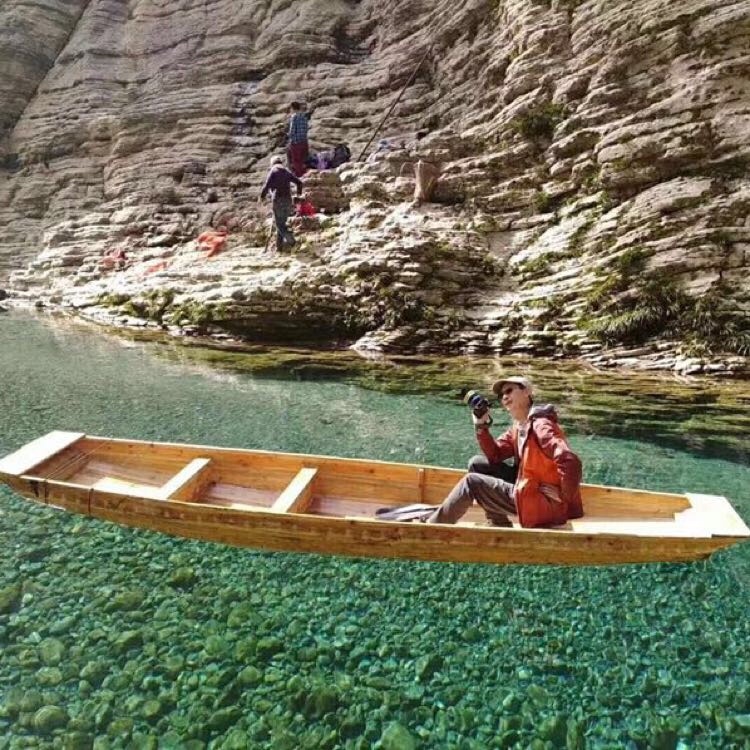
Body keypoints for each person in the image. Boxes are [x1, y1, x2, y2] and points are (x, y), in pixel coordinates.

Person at [427, 376, 583, 528]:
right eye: (501, 395)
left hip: (539, 501)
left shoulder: (541, 426)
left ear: (527, 392)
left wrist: (563, 496)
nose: (505, 397)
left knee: (471, 482)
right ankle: (498, 522)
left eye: (509, 391)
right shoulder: (519, 426)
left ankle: (432, 528)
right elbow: (495, 454)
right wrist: (481, 427)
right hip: (527, 488)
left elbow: (570, 460)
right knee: (477, 464)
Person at [260, 155, 303, 252]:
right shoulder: (286, 171)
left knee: (279, 225)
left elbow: (266, 186)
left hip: (278, 201)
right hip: (288, 201)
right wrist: (298, 196)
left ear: (272, 164)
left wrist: (262, 197)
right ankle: (279, 247)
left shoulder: (273, 171)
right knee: (282, 223)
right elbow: (299, 183)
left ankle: (293, 242)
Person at [287, 101, 310, 177]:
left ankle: (298, 177)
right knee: (303, 160)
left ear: (292, 108)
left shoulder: (294, 117)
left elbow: (292, 131)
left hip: (296, 142)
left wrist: (288, 136)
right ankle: (304, 175)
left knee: (296, 161)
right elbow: (306, 128)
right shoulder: (304, 117)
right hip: (304, 141)